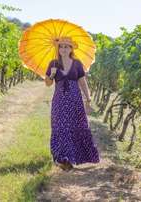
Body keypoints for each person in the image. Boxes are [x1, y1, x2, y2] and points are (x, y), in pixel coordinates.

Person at [44, 37, 100, 171]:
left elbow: (82, 81)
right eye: (61, 46)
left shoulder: (77, 63)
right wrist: (52, 75)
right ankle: (62, 158)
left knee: (76, 126)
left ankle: (73, 156)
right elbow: (47, 83)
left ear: (71, 49)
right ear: (58, 48)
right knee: (60, 126)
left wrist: (88, 97)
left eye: (66, 46)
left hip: (75, 100)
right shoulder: (53, 63)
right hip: (60, 100)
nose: (63, 49)